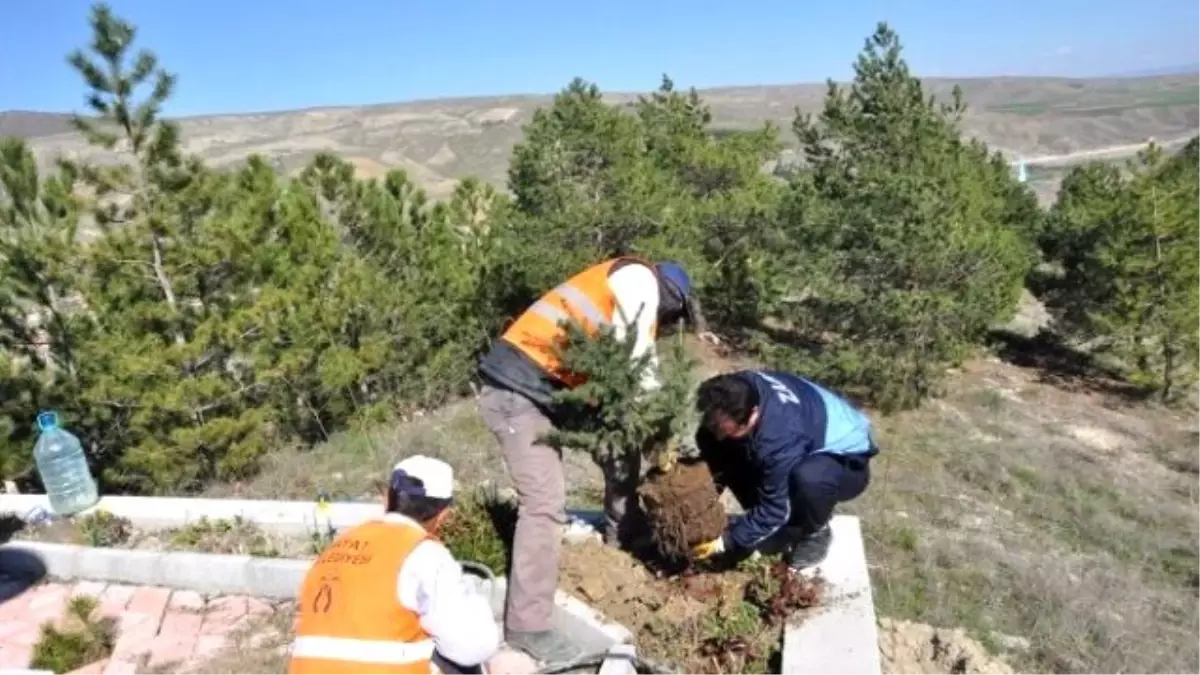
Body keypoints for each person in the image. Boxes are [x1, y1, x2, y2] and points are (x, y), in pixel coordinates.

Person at [477, 256, 717, 662]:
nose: (670, 321)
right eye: (673, 313)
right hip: (516, 390)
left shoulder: (624, 291)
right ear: (670, 297)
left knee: (620, 444)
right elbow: (638, 365)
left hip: (551, 386)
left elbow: (622, 372)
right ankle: (527, 627)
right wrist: (663, 434)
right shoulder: (638, 280)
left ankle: (623, 535)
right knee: (544, 505)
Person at [289, 455, 534, 675]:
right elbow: (472, 648)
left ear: (387, 498)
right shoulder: (424, 553)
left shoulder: (334, 548)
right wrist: (477, 606)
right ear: (443, 515)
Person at [688, 370, 878, 571]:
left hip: (846, 462)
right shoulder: (732, 389)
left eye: (727, 429)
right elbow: (717, 450)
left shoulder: (779, 439)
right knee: (719, 442)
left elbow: (775, 510)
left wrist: (726, 542)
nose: (719, 435)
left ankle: (814, 531)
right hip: (802, 426)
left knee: (809, 479)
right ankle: (767, 523)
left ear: (753, 415)